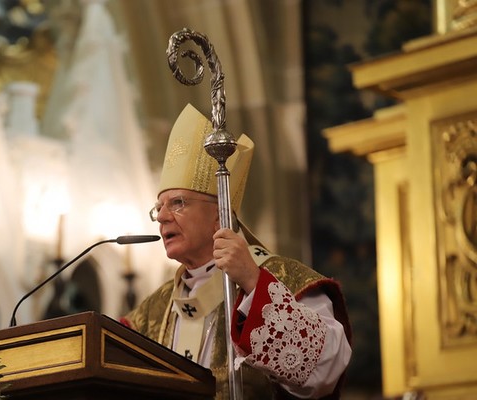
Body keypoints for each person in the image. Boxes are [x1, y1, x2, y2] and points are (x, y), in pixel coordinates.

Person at [121, 103, 352, 399]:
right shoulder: (153, 310)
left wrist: (254, 282)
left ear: (220, 215)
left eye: (178, 203)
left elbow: (326, 370)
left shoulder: (285, 279)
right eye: (159, 207)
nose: (163, 216)